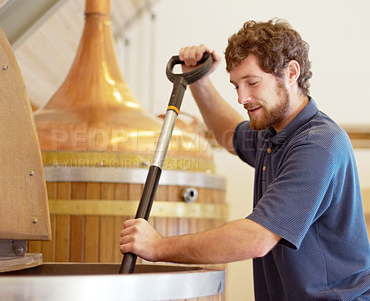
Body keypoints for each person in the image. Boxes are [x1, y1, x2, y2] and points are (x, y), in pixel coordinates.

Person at [120, 19, 370, 300]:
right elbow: (230, 136)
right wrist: (198, 80)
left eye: (252, 82)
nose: (242, 98)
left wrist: (158, 247)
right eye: (235, 86)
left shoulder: (318, 144)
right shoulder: (275, 133)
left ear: (291, 72)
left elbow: (257, 238)